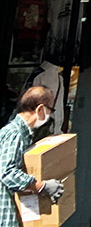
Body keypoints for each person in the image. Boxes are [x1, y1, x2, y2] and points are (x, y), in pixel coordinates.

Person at [1, 86, 64, 227]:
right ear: (40, 109)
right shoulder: (15, 134)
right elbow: (7, 173)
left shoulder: (22, 134)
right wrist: (41, 186)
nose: (49, 115)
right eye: (50, 110)